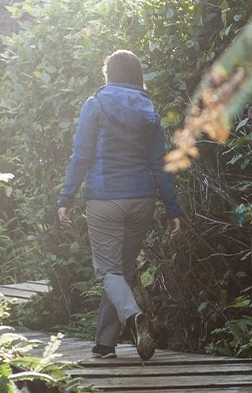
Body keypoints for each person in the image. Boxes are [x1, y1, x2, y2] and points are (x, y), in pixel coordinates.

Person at [56, 50, 181, 360]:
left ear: (108, 74)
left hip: (105, 198)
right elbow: (159, 163)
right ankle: (105, 344)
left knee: (108, 271)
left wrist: (66, 198)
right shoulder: (149, 110)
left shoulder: (95, 105)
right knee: (121, 271)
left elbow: (81, 156)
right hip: (142, 199)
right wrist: (172, 208)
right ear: (138, 76)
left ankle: (135, 317)